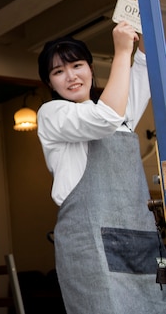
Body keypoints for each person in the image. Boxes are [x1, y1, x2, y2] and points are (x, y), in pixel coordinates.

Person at [36, 20, 166, 314]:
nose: (70, 76)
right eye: (58, 72)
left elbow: (144, 66)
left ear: (91, 69)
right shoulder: (52, 114)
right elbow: (105, 118)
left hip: (138, 241)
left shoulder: (118, 111)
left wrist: (140, 6)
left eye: (77, 65)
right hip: (89, 246)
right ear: (49, 83)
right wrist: (121, 51)